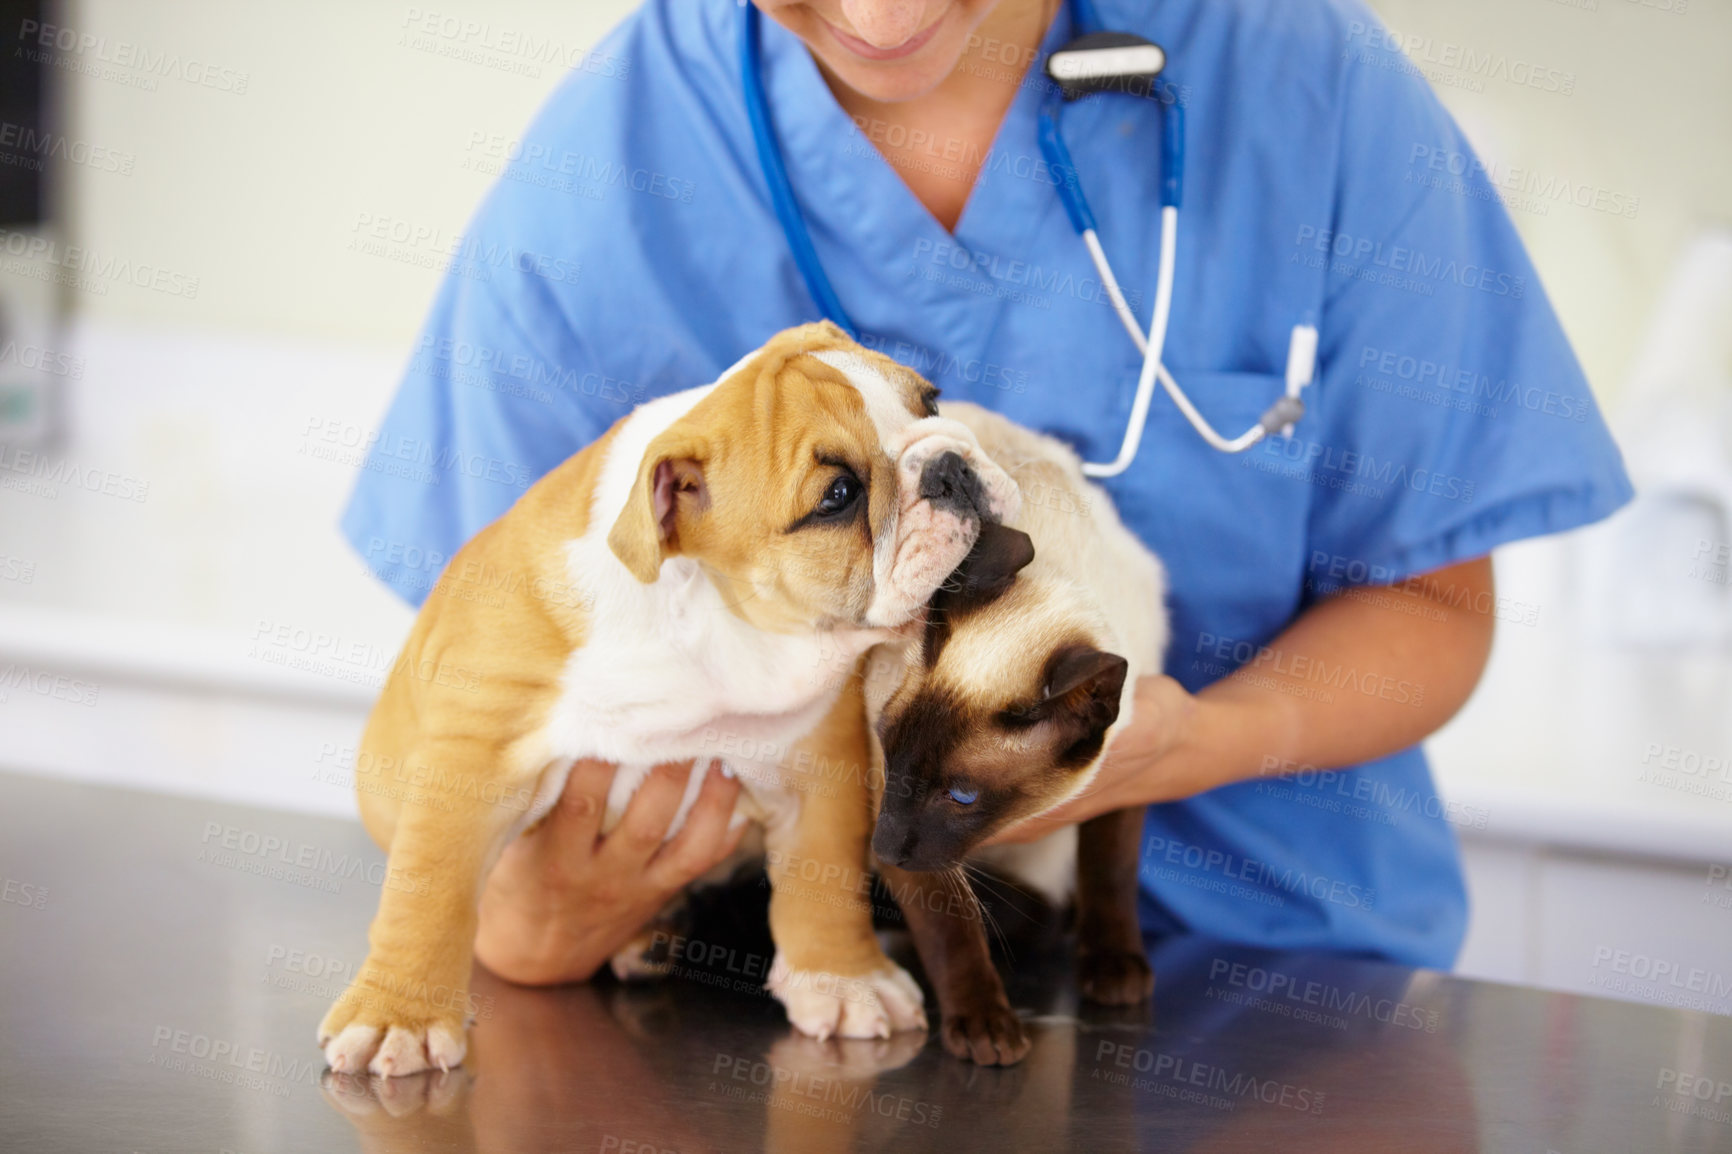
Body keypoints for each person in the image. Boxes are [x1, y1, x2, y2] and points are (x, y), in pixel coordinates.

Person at [342, 0, 1631, 984]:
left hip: (1271, 977)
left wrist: (1202, 746)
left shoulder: (1304, 86)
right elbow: (472, 712)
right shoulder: (606, 178)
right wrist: (527, 924)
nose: (884, 19)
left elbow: (1435, 610)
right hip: (755, 991)